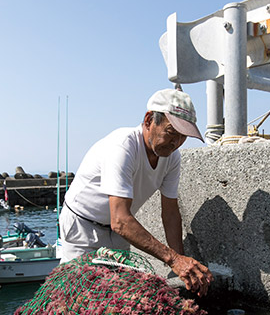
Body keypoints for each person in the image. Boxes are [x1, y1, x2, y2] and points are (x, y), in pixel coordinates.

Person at [59, 88, 213, 296]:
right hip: (83, 226)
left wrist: (182, 265)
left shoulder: (172, 157)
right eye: (171, 132)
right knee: (81, 294)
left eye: (183, 136)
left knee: (116, 293)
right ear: (149, 120)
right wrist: (173, 260)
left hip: (118, 233)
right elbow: (121, 220)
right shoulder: (122, 147)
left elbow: (170, 213)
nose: (176, 142)